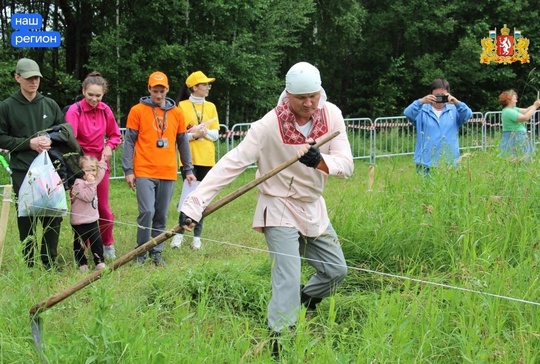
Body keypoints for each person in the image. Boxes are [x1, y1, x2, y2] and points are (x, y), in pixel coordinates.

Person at [179, 62, 354, 355]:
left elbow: (346, 165)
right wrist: (194, 205)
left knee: (336, 270)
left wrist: (320, 161)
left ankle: (304, 301)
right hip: (278, 205)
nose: (309, 103)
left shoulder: (332, 115)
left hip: (312, 205)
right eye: (302, 98)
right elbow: (232, 163)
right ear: (287, 94)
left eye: (313, 95)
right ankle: (280, 341)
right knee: (288, 273)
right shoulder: (268, 124)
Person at [122, 71, 196, 266]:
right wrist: (128, 170)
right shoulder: (137, 110)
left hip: (168, 171)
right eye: (155, 91)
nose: (158, 95)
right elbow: (129, 141)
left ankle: (157, 251)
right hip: (144, 170)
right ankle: (141, 251)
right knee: (147, 211)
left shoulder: (177, 113)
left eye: (162, 91)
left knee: (161, 214)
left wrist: (188, 169)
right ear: (149, 89)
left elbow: (183, 142)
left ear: (167, 89)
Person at [0, 58, 67, 270]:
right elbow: (1, 138)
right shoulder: (6, 107)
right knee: (27, 217)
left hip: (51, 170)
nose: (33, 82)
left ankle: (50, 263)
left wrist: (51, 138)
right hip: (23, 171)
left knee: (52, 215)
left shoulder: (50, 104)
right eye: (29, 78)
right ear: (17, 77)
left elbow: (65, 131)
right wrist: (28, 143)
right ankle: (28, 264)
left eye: (36, 77)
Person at [65, 71, 122, 260]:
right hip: (79, 165)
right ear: (83, 91)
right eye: (90, 95)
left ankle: (107, 245)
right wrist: (81, 166)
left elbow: (115, 135)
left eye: (98, 96)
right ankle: (82, 248)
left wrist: (109, 147)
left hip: (99, 164)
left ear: (103, 94)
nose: (94, 99)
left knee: (102, 206)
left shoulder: (106, 110)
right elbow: (70, 140)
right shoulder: (75, 110)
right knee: (81, 207)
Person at [171, 71, 219, 250]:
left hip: (207, 157)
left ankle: (197, 237)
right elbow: (179, 134)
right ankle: (179, 234)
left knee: (202, 198)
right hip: (188, 158)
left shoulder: (211, 106)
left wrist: (203, 132)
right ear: (194, 87)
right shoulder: (181, 106)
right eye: (205, 84)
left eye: (208, 84)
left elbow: (216, 133)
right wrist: (194, 134)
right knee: (188, 196)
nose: (208, 87)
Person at [403, 78, 473, 175]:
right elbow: (408, 113)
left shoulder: (454, 110)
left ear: (448, 94)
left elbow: (468, 114)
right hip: (425, 162)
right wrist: (421, 101)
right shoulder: (422, 110)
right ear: (430, 95)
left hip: (449, 161)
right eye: (436, 96)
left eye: (443, 96)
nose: (439, 100)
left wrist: (457, 102)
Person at [70, 155, 107, 272]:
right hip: (79, 221)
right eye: (87, 170)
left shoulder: (93, 181)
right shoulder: (78, 183)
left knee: (96, 240)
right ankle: (82, 263)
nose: (91, 173)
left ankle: (99, 261)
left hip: (92, 219)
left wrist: (103, 161)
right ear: (81, 171)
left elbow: (101, 174)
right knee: (79, 242)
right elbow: (87, 197)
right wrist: (91, 184)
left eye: (93, 170)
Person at [498, 89, 540, 161]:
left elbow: (526, 110)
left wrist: (535, 104)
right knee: (518, 158)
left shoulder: (513, 109)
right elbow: (526, 117)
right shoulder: (508, 111)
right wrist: (535, 106)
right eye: (515, 99)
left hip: (517, 136)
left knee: (518, 157)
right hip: (515, 136)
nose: (516, 101)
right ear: (509, 100)